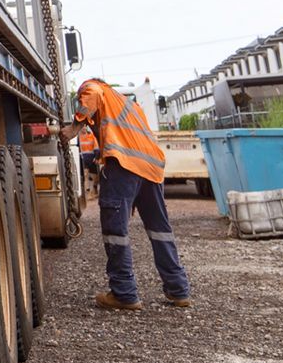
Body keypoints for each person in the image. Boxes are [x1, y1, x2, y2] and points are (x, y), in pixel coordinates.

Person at [60, 76, 191, 310]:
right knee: (160, 230)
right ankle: (178, 290)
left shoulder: (94, 88)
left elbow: (91, 96)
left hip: (123, 167)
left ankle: (124, 293)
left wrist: (73, 128)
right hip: (151, 168)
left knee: (115, 231)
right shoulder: (129, 104)